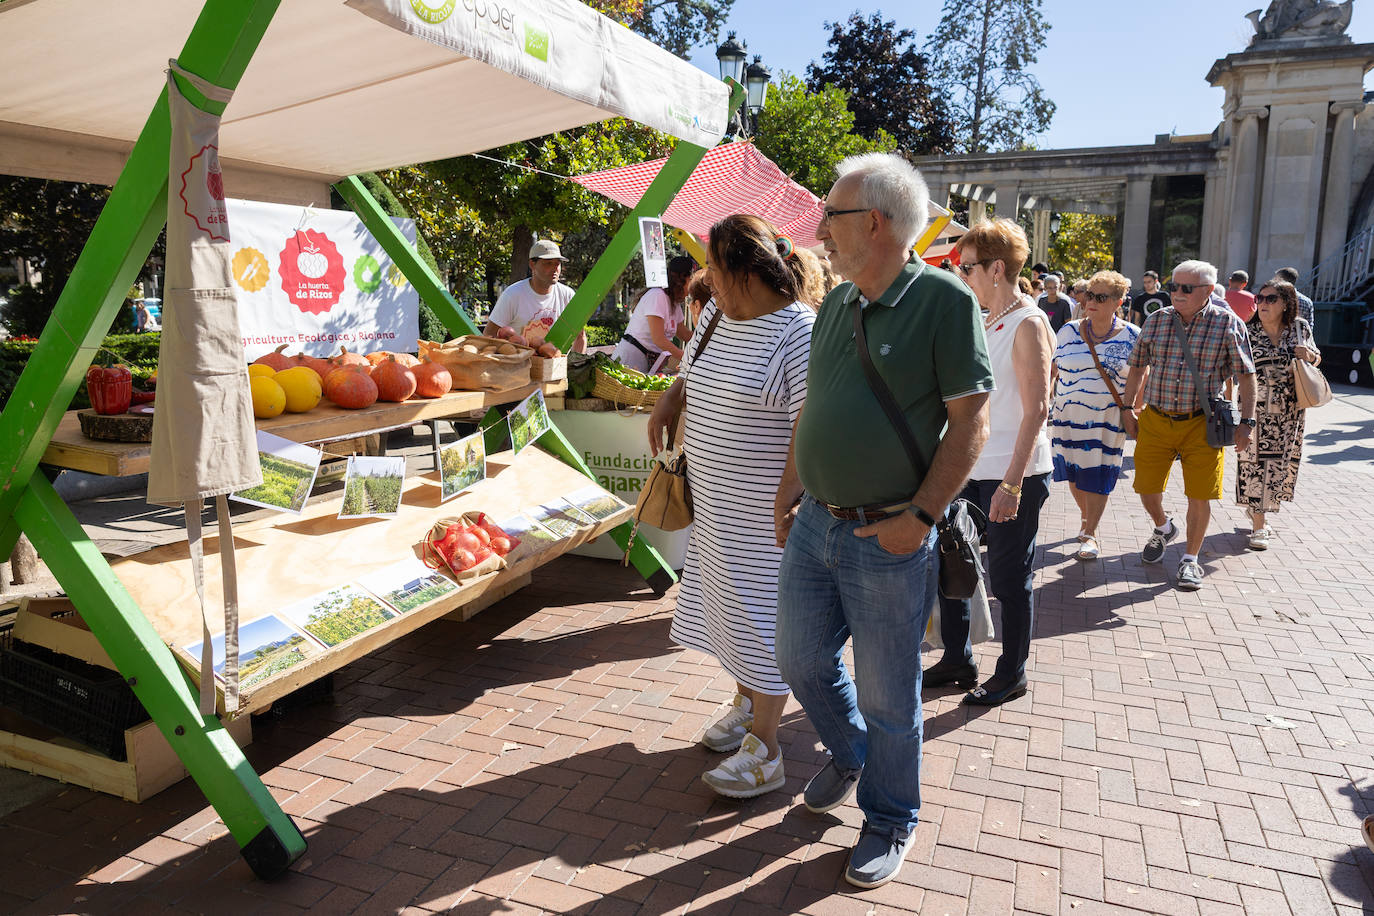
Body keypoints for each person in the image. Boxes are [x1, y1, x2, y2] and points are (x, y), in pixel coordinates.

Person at [774, 153, 993, 889]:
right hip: (815, 525)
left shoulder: (944, 301)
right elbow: (816, 405)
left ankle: (891, 815)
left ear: (872, 222)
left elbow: (972, 425)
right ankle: (852, 754)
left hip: (888, 537)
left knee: (887, 695)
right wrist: (789, 487)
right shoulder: (835, 304)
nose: (818, 232)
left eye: (828, 216)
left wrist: (920, 518)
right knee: (801, 660)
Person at [646, 215, 814, 801]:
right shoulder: (716, 316)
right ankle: (746, 705)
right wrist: (669, 400)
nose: (705, 277)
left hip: (765, 514)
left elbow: (807, 427)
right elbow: (691, 370)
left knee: (768, 622)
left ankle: (767, 751)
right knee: (729, 613)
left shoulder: (798, 333)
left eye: (713, 265)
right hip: (716, 507)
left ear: (743, 268)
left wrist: (788, 498)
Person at [925, 219, 1053, 707]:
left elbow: (1037, 409)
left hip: (1009, 472)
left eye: (968, 266)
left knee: (1008, 577)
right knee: (952, 561)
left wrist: (1013, 484)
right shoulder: (985, 319)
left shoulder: (1027, 322)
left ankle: (1011, 672)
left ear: (997, 269)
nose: (962, 274)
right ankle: (958, 656)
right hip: (970, 468)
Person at [1121, 260, 1257, 591]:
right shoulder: (1156, 320)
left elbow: (1246, 376)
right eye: (1173, 287)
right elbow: (1137, 367)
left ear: (1209, 291)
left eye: (1185, 288)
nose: (1176, 294)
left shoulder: (1227, 323)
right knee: (1146, 487)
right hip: (1156, 418)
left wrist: (1247, 422)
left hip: (1203, 423)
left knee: (1200, 494)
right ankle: (1164, 527)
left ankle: (1189, 560)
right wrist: (1127, 408)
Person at [1049, 270, 1141, 560]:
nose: (1091, 301)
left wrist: (1134, 409)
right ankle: (1087, 519)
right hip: (1066, 417)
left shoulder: (1132, 336)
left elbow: (1142, 376)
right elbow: (1052, 370)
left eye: (1100, 297)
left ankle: (1091, 533)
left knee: (1099, 474)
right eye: (1089, 294)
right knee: (1075, 476)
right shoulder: (1068, 330)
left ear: (1118, 301)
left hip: (1107, 420)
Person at [1236, 279, 1320, 550]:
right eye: (1260, 298)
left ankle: (1258, 511)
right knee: (1254, 465)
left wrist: (1309, 355)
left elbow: (1318, 358)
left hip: (1289, 411)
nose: (1263, 304)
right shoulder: (1248, 331)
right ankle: (1259, 526)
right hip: (1255, 411)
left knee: (1278, 466)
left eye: (1271, 299)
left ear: (1286, 303)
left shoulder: (1299, 328)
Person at [484, 239, 587, 352]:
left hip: (555, 367)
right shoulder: (513, 295)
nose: (555, 269)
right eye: (548, 263)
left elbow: (580, 337)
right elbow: (489, 335)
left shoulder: (567, 295)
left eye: (557, 264)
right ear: (532, 264)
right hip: (519, 367)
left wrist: (574, 366)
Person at [612, 255, 694, 372]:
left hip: (648, 361)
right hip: (630, 359)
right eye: (691, 280)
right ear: (681, 279)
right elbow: (658, 339)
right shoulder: (658, 296)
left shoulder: (674, 303)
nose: (692, 287)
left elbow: (684, 334)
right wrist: (686, 357)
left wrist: (706, 341)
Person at [1274, 266, 1316, 334]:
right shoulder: (1307, 301)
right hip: (1299, 339)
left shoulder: (1274, 298)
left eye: (1276, 278)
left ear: (1281, 280)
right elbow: (1309, 327)